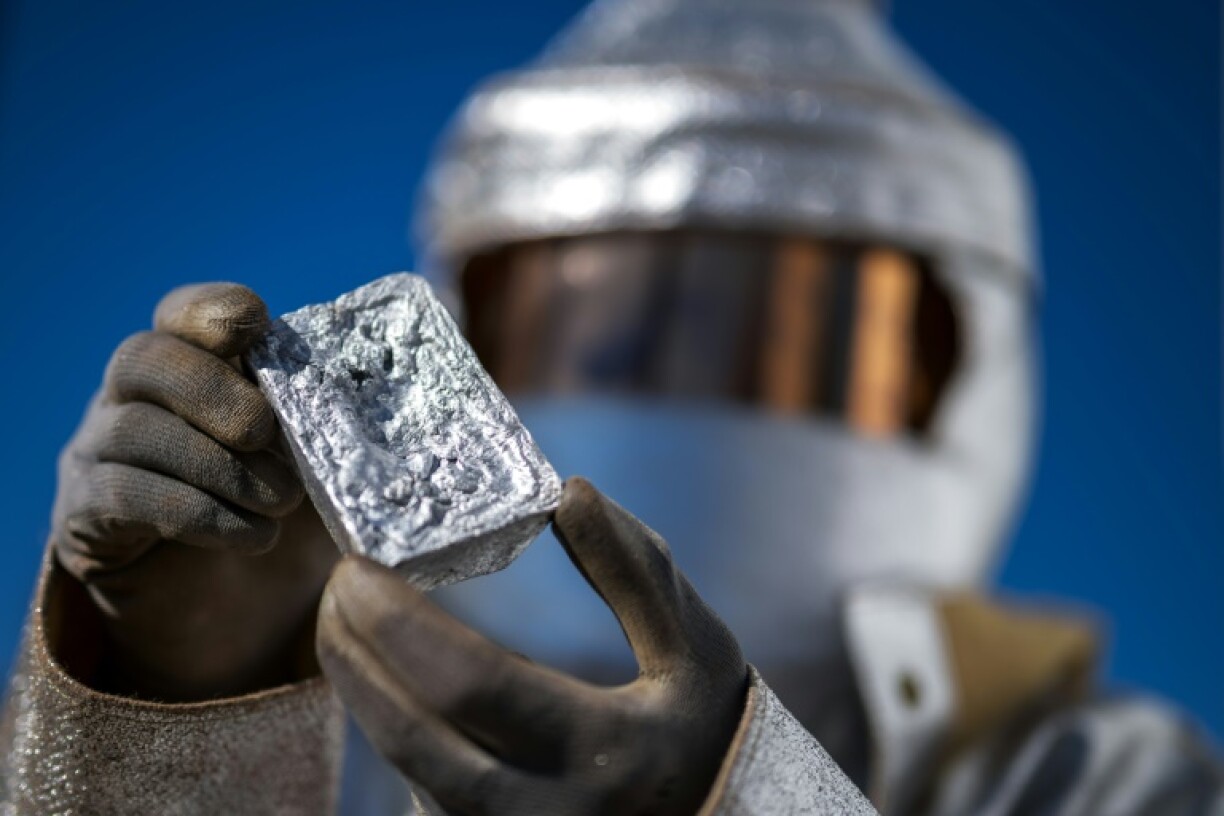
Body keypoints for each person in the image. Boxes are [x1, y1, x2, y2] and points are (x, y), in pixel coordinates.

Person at [2, 1, 1220, 815]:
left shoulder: (1094, 778)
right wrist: (172, 714)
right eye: (605, 329)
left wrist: (740, 797)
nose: (687, 401)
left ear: (960, 377)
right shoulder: (350, 751)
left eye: (791, 338)